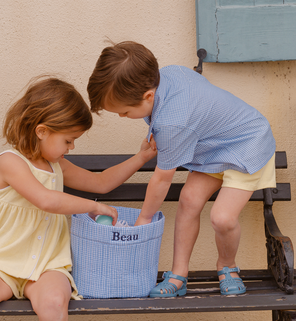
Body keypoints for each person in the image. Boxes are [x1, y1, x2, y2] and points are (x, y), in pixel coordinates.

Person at [0, 75, 157, 321]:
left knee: (53, 307)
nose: (71, 148)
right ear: (42, 130)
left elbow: (101, 183)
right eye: (68, 140)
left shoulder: (56, 164)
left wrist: (141, 157)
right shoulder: (9, 162)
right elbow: (45, 200)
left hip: (49, 262)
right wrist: (93, 207)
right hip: (1, 261)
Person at [87, 41, 276, 298]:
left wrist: (144, 219)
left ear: (148, 96)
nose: (123, 117)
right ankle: (179, 274)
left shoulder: (174, 125)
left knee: (222, 218)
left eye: (124, 112)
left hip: (246, 145)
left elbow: (162, 179)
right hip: (212, 149)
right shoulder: (168, 74)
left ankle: (227, 266)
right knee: (188, 200)